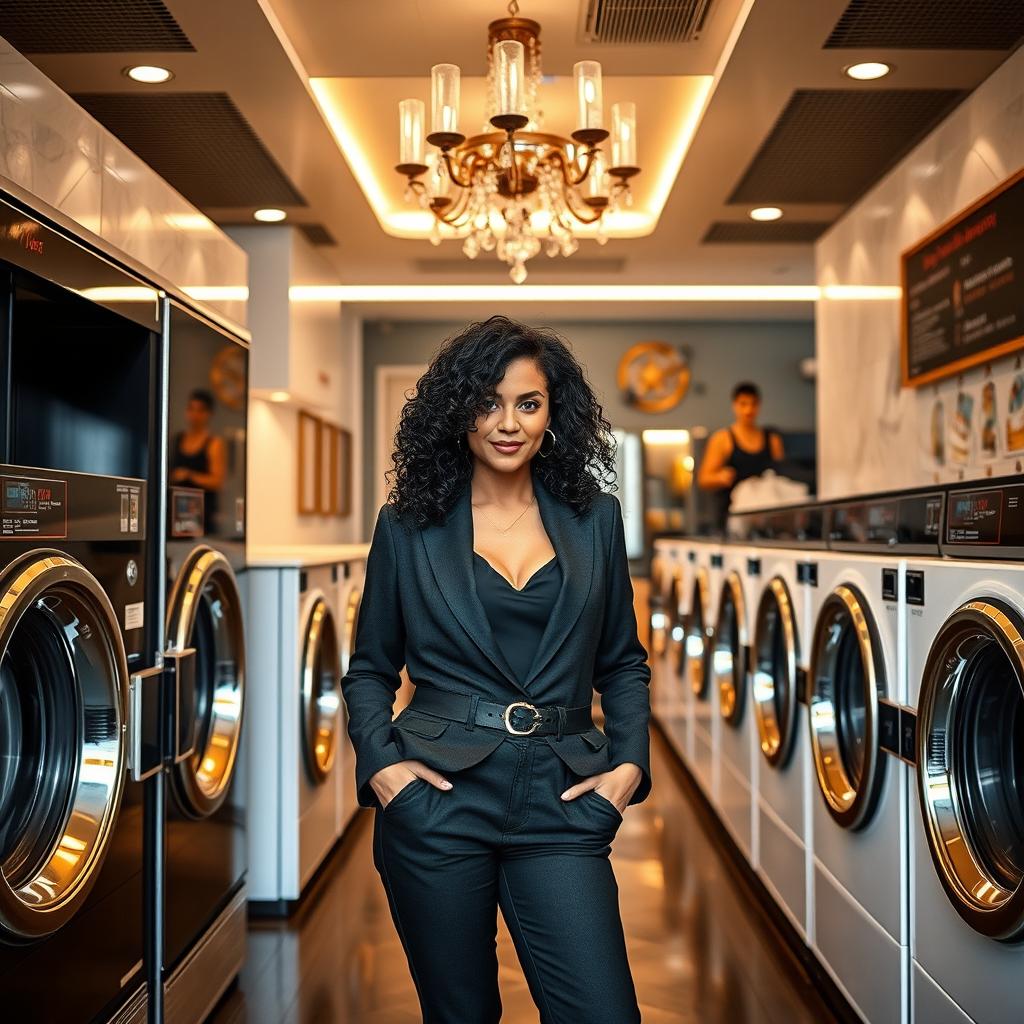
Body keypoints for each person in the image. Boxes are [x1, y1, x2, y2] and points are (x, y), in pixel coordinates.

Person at [341, 315, 652, 1024]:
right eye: (488, 402)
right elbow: (370, 670)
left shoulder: (594, 518)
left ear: (553, 415)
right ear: (459, 413)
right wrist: (385, 770)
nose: (507, 423)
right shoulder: (409, 525)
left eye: (528, 403)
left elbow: (623, 661)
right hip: (438, 800)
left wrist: (629, 765)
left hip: (563, 801)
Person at [697, 381, 784, 532]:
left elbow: (783, 477)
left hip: (766, 518)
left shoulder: (772, 440)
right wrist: (720, 477)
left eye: (753, 404)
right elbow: (703, 479)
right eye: (743, 404)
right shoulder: (722, 439)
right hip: (731, 519)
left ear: (759, 405)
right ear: (734, 405)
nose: (748, 409)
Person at [170, 388, 227, 534]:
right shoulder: (177, 439)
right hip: (177, 514)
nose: (194, 414)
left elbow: (217, 481)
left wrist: (189, 475)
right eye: (191, 409)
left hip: (202, 516)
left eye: (200, 410)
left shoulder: (214, 443)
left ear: (208, 414)